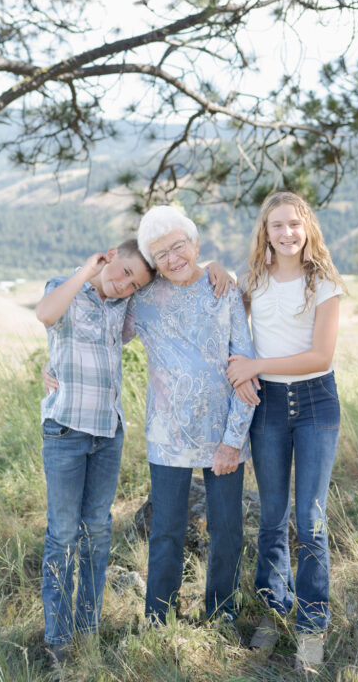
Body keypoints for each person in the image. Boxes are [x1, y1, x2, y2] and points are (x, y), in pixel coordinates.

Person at [225, 191, 344, 674]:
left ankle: (313, 622)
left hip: (316, 402)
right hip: (268, 407)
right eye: (277, 225)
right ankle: (275, 610)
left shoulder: (326, 284)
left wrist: (257, 363)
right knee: (273, 516)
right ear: (265, 232)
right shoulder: (252, 281)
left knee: (312, 520)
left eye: (295, 224)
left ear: (307, 228)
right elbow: (226, 316)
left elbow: (321, 357)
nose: (287, 233)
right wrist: (214, 267)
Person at [125, 204, 257, 627]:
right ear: (153, 262)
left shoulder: (225, 289)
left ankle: (222, 614)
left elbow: (245, 365)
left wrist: (234, 439)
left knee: (226, 529)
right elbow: (103, 327)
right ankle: (158, 619)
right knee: (165, 531)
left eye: (179, 246)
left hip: (222, 433)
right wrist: (54, 360)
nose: (173, 257)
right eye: (161, 253)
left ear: (195, 244)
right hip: (167, 435)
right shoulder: (142, 302)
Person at [35, 240, 154, 672]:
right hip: (66, 431)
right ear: (109, 257)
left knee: (97, 533)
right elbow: (45, 315)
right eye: (122, 272)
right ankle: (58, 641)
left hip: (108, 433)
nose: (123, 285)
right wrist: (87, 271)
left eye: (134, 283)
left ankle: (89, 629)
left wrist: (212, 267)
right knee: (63, 536)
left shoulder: (122, 308)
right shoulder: (68, 287)